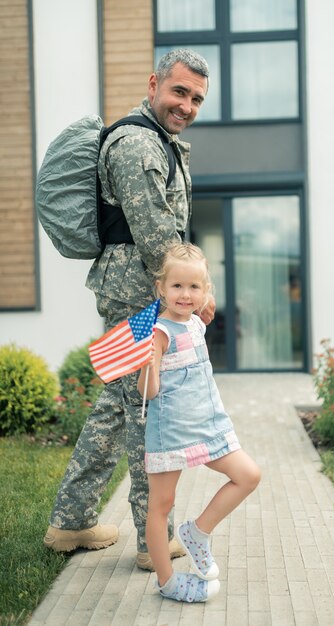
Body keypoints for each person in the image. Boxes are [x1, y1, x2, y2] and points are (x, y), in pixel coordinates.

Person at [43, 49, 214, 571]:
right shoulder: (138, 142)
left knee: (116, 409)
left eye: (196, 98)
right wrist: (197, 296)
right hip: (141, 297)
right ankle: (153, 541)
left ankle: (70, 522)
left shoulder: (159, 140)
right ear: (154, 83)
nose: (186, 105)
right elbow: (159, 236)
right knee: (148, 411)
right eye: (179, 91)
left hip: (139, 292)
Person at [138, 243, 261, 603]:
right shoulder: (158, 332)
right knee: (161, 505)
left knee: (248, 475)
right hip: (170, 431)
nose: (185, 294)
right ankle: (167, 581)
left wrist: (202, 302)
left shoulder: (195, 322)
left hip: (207, 424)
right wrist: (147, 364)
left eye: (195, 287)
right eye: (177, 286)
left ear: (206, 290)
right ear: (161, 288)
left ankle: (197, 531)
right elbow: (149, 391)